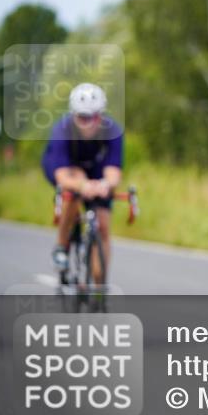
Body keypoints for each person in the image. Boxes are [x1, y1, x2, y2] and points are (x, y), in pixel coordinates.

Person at [41, 83, 123, 284]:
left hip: (96, 170)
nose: (88, 123)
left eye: (94, 117)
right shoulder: (62, 130)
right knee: (72, 192)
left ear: (101, 116)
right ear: (74, 115)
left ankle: (99, 282)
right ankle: (61, 246)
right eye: (82, 117)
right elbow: (62, 176)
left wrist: (105, 185)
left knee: (103, 223)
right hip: (66, 168)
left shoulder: (113, 130)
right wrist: (82, 186)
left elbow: (113, 172)